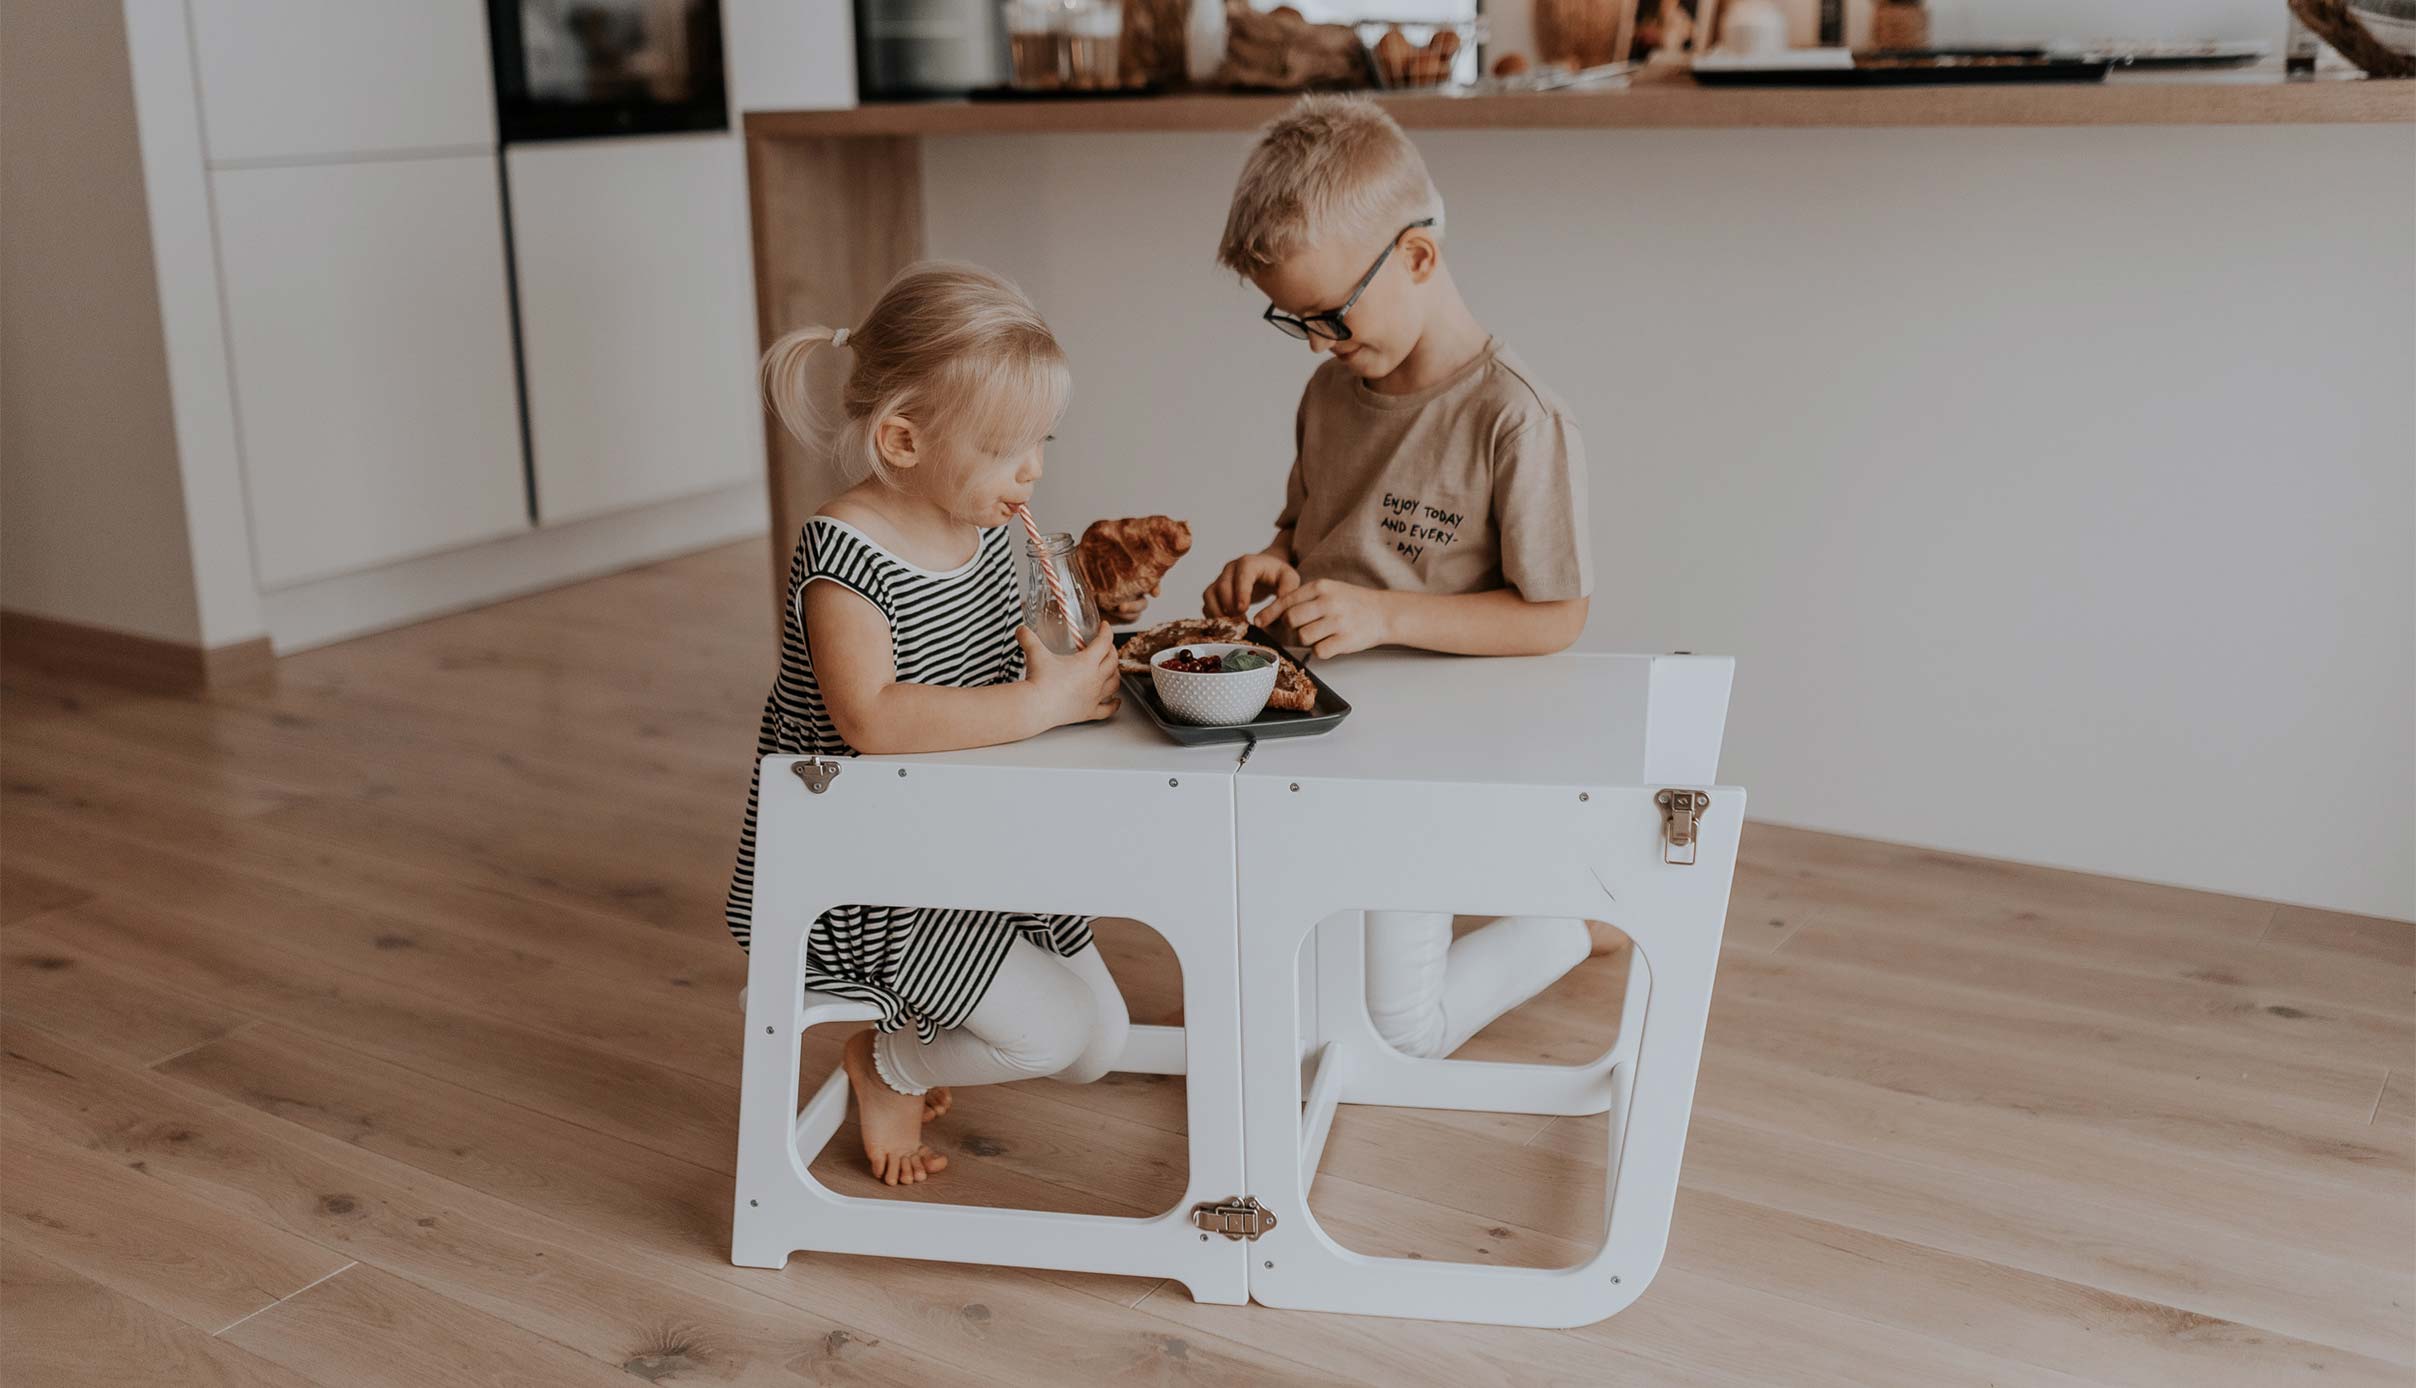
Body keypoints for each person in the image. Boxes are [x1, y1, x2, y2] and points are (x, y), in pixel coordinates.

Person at [1204, 95, 1621, 1061]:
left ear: (1419, 258)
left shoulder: (1517, 421)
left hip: (1429, 759)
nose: (1315, 344)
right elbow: (1303, 536)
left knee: (1403, 1032)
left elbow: (1555, 617)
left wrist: (1385, 615)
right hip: (1312, 744)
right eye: (1293, 321)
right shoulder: (1328, 393)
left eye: (1331, 318)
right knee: (1288, 1019)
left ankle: (1576, 918)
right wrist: (1268, 565)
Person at [726, 262, 1127, 1184]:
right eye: (1006, 448)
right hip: (874, 876)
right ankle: (886, 1061)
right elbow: (871, 718)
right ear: (904, 440)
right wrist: (1041, 703)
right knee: (1056, 1030)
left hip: (975, 843)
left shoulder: (985, 527)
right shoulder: (845, 559)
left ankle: (925, 1030)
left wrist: (1077, 650)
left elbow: (1012, 655)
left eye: (1043, 440)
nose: (1034, 470)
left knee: (1098, 1042)